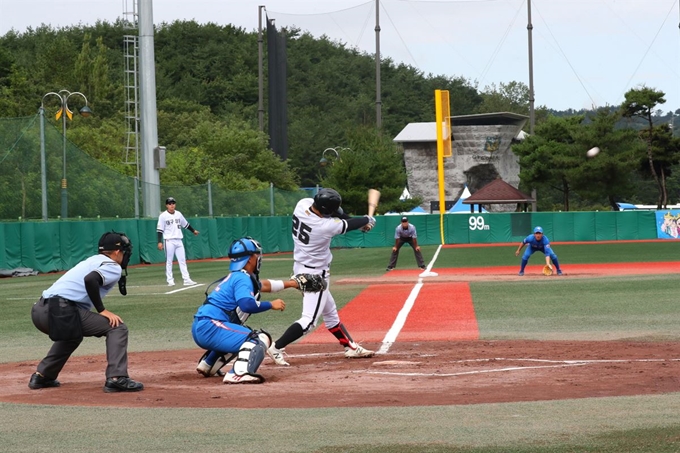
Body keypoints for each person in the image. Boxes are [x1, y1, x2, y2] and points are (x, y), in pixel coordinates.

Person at [267, 188, 377, 366]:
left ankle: (350, 346)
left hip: (300, 266)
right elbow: (346, 223)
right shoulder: (325, 226)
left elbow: (340, 216)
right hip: (315, 275)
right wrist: (367, 220)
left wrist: (362, 222)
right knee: (309, 320)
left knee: (331, 315)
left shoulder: (302, 204)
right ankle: (276, 347)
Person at [29, 231, 144, 393]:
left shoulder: (92, 260)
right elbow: (90, 279)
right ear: (117, 252)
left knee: (73, 334)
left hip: (39, 311)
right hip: (60, 311)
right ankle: (117, 378)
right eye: (124, 252)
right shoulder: (113, 266)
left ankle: (42, 376)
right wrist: (102, 310)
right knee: (117, 327)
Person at [192, 237, 296, 384]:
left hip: (204, 325)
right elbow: (247, 304)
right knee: (257, 339)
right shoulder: (242, 278)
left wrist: (291, 284)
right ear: (249, 259)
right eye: (256, 254)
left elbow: (264, 285)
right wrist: (270, 304)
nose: (258, 258)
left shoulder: (238, 276)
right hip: (211, 326)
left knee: (237, 332)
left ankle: (208, 364)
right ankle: (239, 373)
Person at [157, 197, 199, 286]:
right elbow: (160, 230)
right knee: (169, 261)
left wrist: (193, 231)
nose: (172, 205)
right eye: (170, 203)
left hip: (179, 240)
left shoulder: (178, 214)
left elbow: (186, 224)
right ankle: (170, 280)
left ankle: (186, 279)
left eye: (173, 203)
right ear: (166, 205)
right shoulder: (163, 216)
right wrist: (159, 241)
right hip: (169, 241)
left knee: (182, 260)